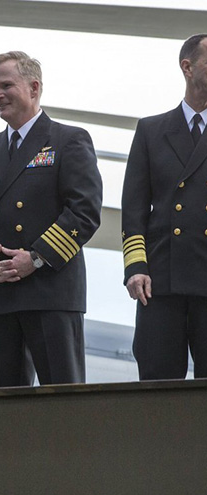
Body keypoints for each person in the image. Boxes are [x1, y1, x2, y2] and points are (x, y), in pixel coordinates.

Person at [0, 51, 102, 388]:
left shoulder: (69, 140)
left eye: (6, 85)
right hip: (1, 294)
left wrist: (35, 258)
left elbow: (85, 211)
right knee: (4, 411)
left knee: (62, 405)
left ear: (34, 87)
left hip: (51, 292)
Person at [121, 34, 207, 380]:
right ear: (188, 67)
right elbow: (134, 210)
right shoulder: (151, 130)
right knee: (157, 389)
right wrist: (135, 267)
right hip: (160, 282)